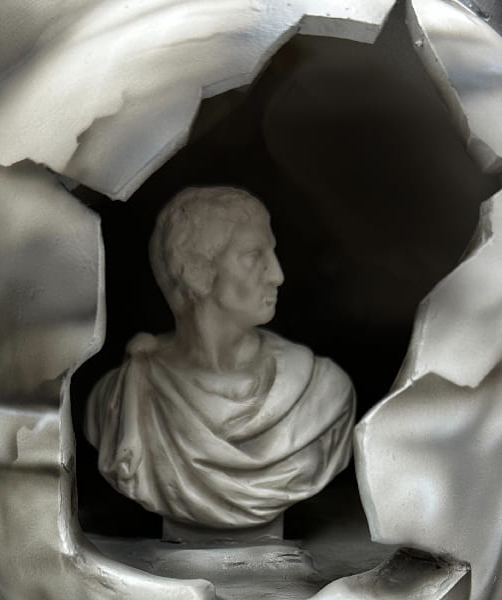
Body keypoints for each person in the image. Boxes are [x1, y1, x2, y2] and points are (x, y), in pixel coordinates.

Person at [85, 186, 357, 538]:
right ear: (197, 270)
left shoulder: (322, 394)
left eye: (271, 253)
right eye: (253, 255)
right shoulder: (120, 399)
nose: (277, 275)